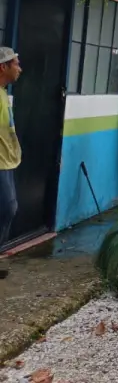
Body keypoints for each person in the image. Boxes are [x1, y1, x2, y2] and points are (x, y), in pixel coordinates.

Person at [0, 47, 22, 278]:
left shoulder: (3, 93)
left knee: (8, 209)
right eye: (16, 63)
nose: (20, 68)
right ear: (3, 67)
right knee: (7, 208)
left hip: (7, 162)